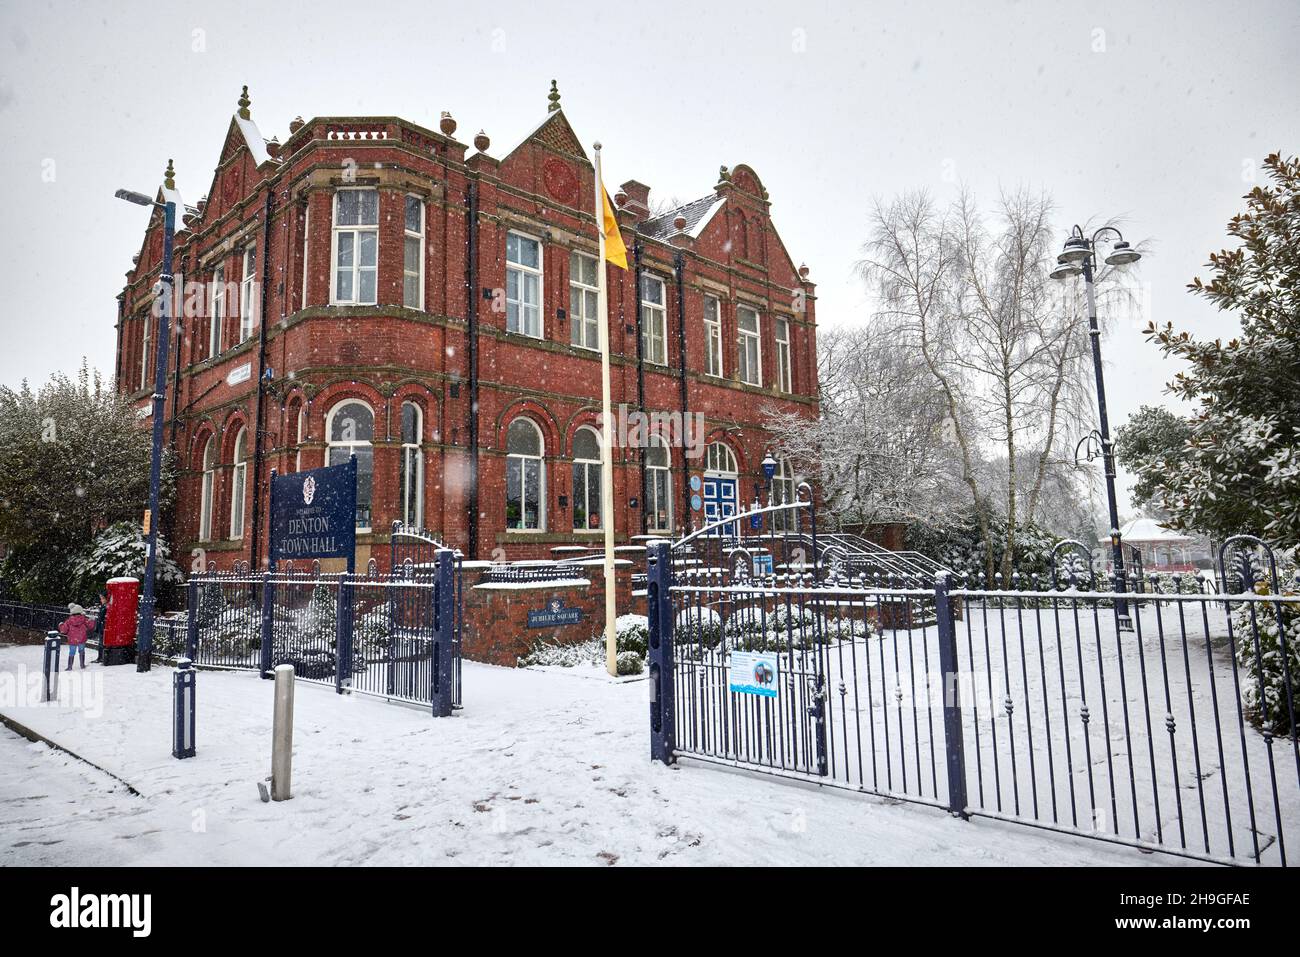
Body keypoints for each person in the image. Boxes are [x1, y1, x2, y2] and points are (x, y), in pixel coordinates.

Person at [58, 603, 92, 670]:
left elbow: (64, 630)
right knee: (81, 651)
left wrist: (60, 625)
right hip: (82, 638)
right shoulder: (84, 619)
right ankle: (82, 665)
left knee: (72, 652)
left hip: (72, 639)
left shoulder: (69, 621)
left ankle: (70, 666)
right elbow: (90, 626)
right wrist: (92, 620)